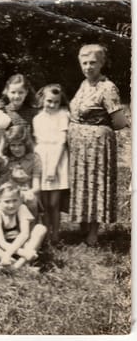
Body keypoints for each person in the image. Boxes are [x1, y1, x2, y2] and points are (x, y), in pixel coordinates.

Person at [68, 44, 130, 246]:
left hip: (97, 145)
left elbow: (120, 121)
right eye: (84, 63)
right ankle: (83, 225)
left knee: (95, 185)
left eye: (93, 62)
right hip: (79, 145)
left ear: (102, 63)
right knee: (83, 184)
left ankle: (94, 232)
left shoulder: (107, 87)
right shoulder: (84, 84)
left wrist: (97, 130)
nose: (88, 67)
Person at [33, 84, 70, 244]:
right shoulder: (37, 118)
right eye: (49, 101)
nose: (52, 105)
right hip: (41, 156)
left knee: (54, 202)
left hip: (57, 158)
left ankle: (56, 234)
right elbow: (36, 141)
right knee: (45, 202)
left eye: (56, 102)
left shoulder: (63, 115)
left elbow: (62, 142)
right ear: (42, 99)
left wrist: (53, 167)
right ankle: (46, 233)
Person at [0, 183, 47, 270]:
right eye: (7, 201)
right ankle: (23, 267)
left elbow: (24, 234)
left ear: (20, 200)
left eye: (15, 200)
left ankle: (15, 267)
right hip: (4, 249)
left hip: (22, 244)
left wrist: (22, 251)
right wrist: (23, 253)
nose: (11, 205)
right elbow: (2, 242)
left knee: (40, 228)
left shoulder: (21, 208)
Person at [1, 125, 41, 216]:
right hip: (9, 193)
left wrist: (25, 193)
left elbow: (37, 186)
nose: (16, 149)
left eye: (20, 145)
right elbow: (3, 183)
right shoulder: (6, 160)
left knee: (31, 200)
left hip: (28, 192)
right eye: (13, 145)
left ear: (26, 145)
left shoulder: (34, 158)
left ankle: (31, 227)